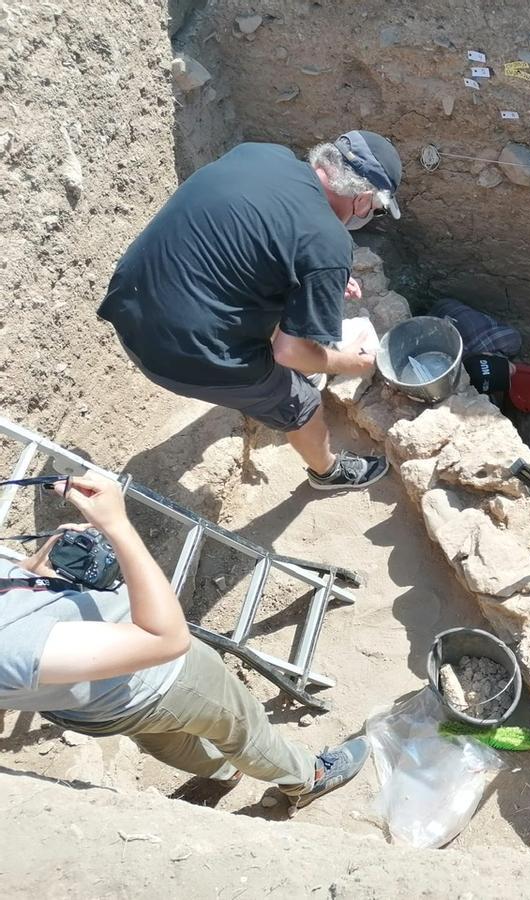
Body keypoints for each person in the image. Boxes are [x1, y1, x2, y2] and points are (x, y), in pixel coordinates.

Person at [0, 473, 370, 809]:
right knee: (242, 725)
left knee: (164, 735)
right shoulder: (11, 645)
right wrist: (117, 526)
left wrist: (38, 568)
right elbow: (164, 638)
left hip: (86, 703)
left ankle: (225, 772)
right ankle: (307, 780)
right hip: (156, 677)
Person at [98, 131, 405, 491]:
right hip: (171, 353)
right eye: (378, 208)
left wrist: (323, 272)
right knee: (302, 402)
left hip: (128, 301)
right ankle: (328, 472)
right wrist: (351, 363)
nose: (373, 214)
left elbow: (257, 242)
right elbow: (289, 352)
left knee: (277, 307)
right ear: (365, 196)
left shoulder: (261, 154)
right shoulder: (329, 243)